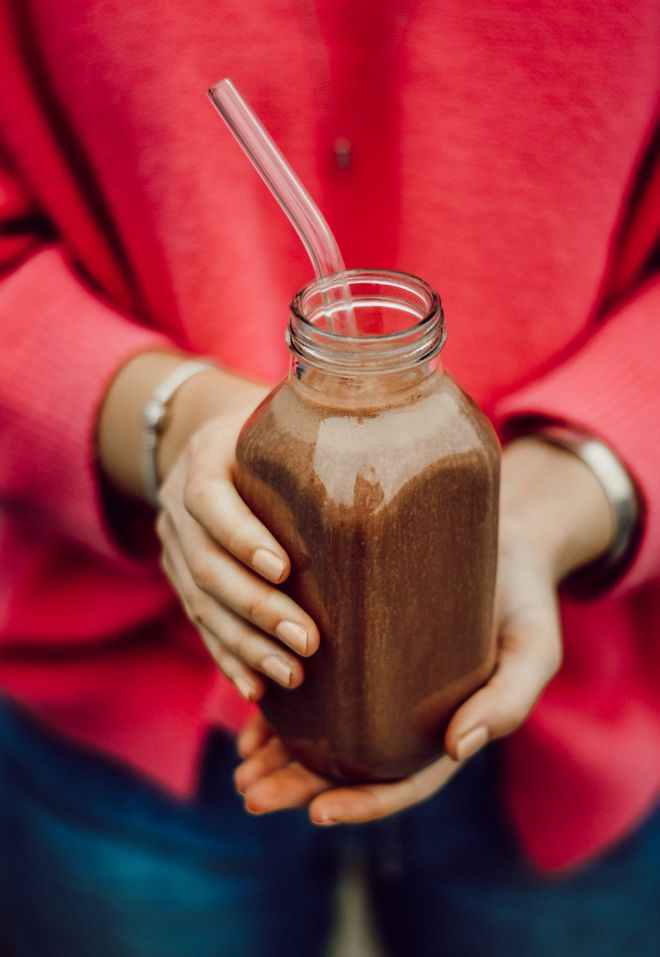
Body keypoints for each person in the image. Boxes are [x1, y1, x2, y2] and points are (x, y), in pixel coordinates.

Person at [0, 1, 658, 954]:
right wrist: (166, 420)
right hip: (117, 723)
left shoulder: (452, 429)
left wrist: (551, 506)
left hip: (583, 724)